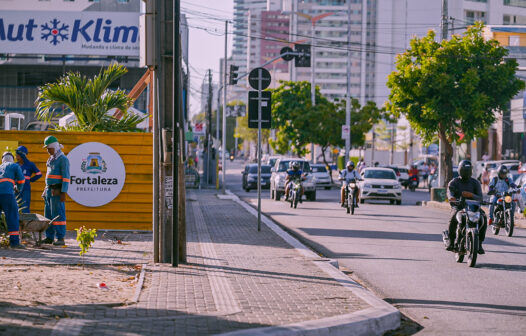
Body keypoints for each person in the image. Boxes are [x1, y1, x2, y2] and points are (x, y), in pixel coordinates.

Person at [446, 160, 486, 254]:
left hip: (473, 207)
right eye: (465, 170)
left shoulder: (475, 183)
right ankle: (451, 242)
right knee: (453, 218)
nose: (467, 173)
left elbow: (480, 198)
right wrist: (451, 197)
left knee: (483, 217)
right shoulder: (454, 182)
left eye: (468, 171)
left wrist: (471, 195)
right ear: (460, 170)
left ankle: (479, 243)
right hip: (459, 207)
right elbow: (450, 192)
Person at [41, 136, 70, 246]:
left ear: (54, 147)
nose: (48, 151)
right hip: (49, 191)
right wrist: (45, 190)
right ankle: (49, 237)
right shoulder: (51, 159)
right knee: (48, 215)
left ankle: (60, 238)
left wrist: (63, 192)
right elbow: (48, 177)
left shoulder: (63, 159)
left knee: (58, 214)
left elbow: (66, 177)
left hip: (57, 191)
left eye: (49, 148)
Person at [0, 152, 26, 248]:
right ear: (12, 159)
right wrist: (18, 188)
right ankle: (14, 243)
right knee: (12, 216)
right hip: (7, 194)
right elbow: (21, 180)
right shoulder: (14, 166)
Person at [15, 146, 42, 213]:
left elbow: (39, 174)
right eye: (16, 155)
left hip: (25, 190)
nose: (16, 157)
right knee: (15, 207)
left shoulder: (30, 165)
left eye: (18, 156)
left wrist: (31, 180)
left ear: (22, 156)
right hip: (16, 189)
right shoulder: (15, 165)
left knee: (25, 208)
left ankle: (25, 223)